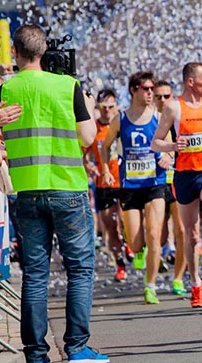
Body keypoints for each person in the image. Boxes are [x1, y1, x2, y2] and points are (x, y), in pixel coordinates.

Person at [0, 25, 108, 362]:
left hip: (27, 190)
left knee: (34, 273)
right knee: (78, 269)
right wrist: (85, 105)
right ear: (44, 51)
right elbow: (89, 137)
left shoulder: (6, 88)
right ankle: (76, 348)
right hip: (67, 188)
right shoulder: (67, 86)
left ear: (15, 52)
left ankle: (35, 354)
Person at [151, 62, 202, 309]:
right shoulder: (173, 107)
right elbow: (155, 143)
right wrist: (172, 147)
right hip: (184, 176)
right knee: (192, 235)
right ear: (191, 82)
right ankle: (196, 285)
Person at [100, 72, 170, 305]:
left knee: (154, 234)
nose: (151, 92)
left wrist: (168, 156)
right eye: (146, 88)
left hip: (155, 184)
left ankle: (150, 286)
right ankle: (138, 251)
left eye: (152, 88)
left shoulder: (159, 118)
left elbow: (168, 145)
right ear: (133, 90)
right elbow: (106, 145)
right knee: (135, 242)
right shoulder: (120, 120)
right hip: (130, 186)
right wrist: (107, 170)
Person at [84, 89, 127, 282]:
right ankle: (120, 264)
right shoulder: (93, 129)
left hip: (126, 182)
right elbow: (83, 153)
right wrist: (88, 165)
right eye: (104, 107)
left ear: (117, 107)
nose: (108, 111)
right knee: (110, 226)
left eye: (111, 107)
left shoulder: (124, 125)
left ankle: (130, 244)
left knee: (125, 222)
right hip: (103, 184)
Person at [153, 80, 187, 295]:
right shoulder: (148, 119)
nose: (163, 100)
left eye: (167, 96)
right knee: (159, 234)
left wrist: (172, 153)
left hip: (176, 179)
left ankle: (179, 278)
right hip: (153, 182)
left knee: (182, 230)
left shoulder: (177, 118)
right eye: (159, 96)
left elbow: (188, 144)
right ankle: (156, 259)